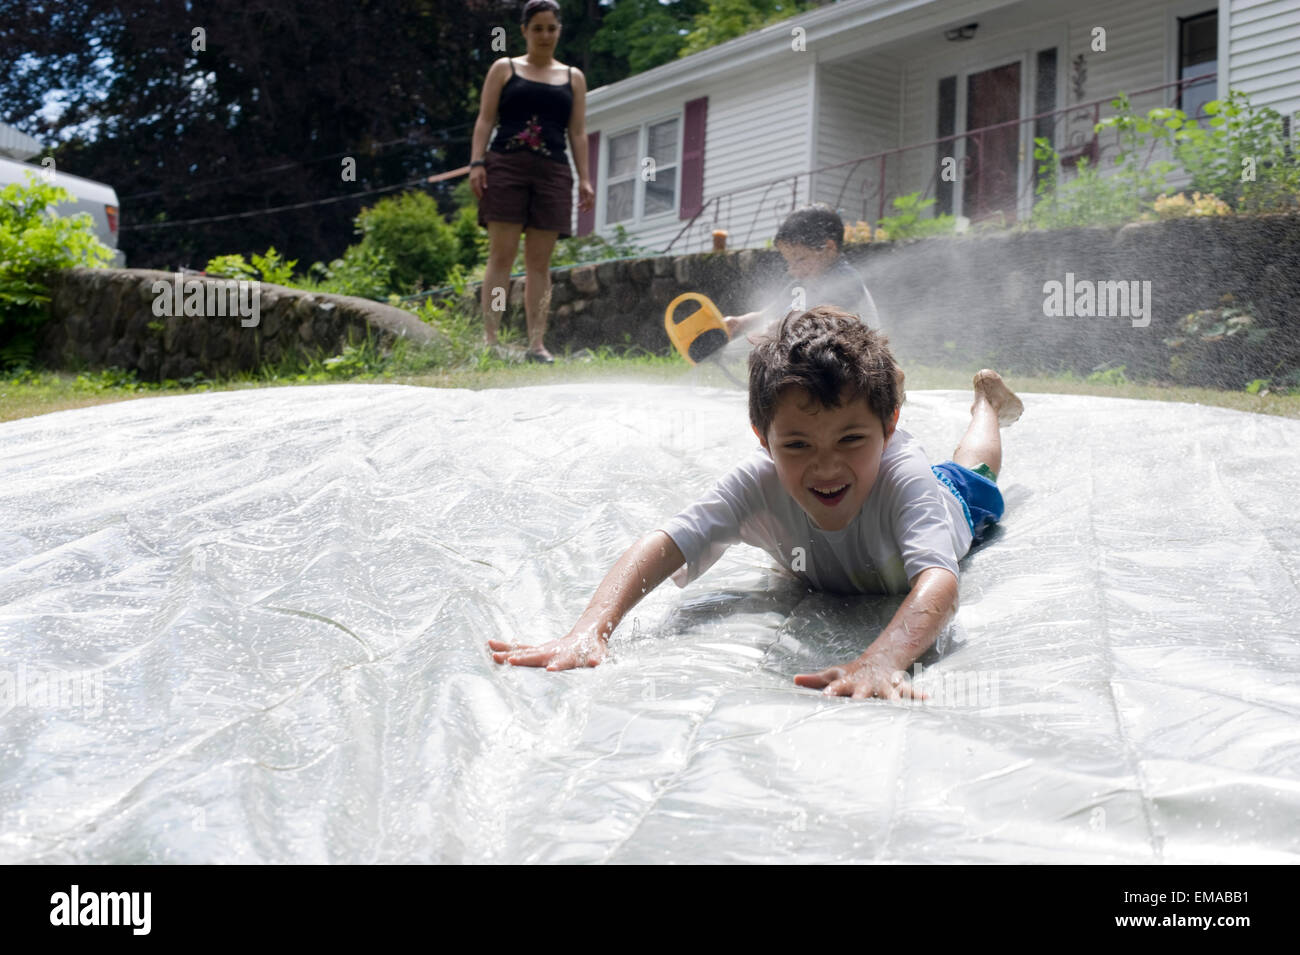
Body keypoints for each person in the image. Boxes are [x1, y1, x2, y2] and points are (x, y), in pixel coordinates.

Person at [488, 306, 1025, 701]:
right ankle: (878, 392)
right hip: (872, 452)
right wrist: (588, 631)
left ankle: (985, 404)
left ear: (888, 429)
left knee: (971, 470)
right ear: (761, 437)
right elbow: (667, 541)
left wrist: (883, 660)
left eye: (850, 440)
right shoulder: (757, 481)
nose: (826, 467)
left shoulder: (906, 481)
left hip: (950, 498)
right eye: (796, 445)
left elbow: (939, 583)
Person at [469, 0, 595, 364]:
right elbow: (484, 119)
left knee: (539, 264)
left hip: (554, 173)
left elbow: (578, 131)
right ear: (524, 31)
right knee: (501, 256)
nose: (544, 35)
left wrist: (585, 178)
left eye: (551, 28)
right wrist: (477, 162)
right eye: (537, 28)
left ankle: (536, 345)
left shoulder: (573, 77)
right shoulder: (503, 69)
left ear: (559, 31)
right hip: (505, 168)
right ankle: (490, 339)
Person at [723, 204, 880, 342]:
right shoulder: (801, 286)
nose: (792, 270)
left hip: (855, 365)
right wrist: (742, 322)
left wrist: (780, 327)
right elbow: (771, 311)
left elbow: (820, 320)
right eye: (789, 262)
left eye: (799, 259)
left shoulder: (845, 280)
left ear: (829, 249)